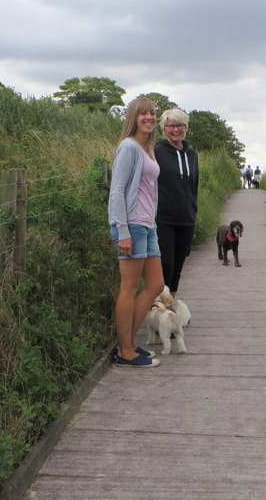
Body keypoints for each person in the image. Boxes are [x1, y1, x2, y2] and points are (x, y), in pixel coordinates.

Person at [108, 96, 164, 368]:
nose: (149, 117)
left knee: (155, 285)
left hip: (148, 225)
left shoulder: (147, 149)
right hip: (132, 225)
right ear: (134, 117)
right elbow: (117, 190)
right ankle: (125, 351)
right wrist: (123, 230)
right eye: (143, 114)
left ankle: (127, 343)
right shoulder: (129, 147)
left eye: (152, 113)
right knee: (129, 287)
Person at [155, 108, 199, 301]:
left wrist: (193, 212)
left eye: (179, 125)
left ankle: (169, 305)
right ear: (164, 129)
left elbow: (193, 187)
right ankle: (159, 307)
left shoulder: (192, 154)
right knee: (166, 265)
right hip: (163, 218)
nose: (175, 130)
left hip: (186, 219)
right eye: (171, 126)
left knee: (178, 266)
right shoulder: (156, 151)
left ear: (186, 128)